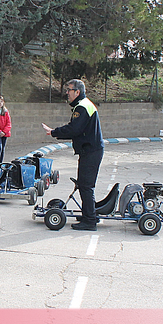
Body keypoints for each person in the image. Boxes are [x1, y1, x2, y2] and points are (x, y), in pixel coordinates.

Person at [42, 79, 104, 231]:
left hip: (91, 151)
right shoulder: (83, 105)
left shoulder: (82, 107)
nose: (67, 93)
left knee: (86, 186)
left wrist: (53, 132)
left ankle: (90, 221)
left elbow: (74, 129)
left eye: (69, 90)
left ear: (77, 92)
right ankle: (89, 214)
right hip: (90, 150)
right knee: (84, 185)